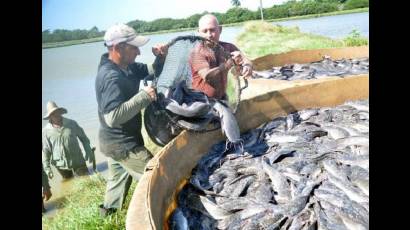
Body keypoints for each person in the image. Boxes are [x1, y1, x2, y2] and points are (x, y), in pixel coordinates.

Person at [95, 23, 167, 217]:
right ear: (117, 48)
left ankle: (106, 217)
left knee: (116, 183)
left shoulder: (126, 66)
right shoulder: (110, 76)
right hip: (123, 144)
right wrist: (144, 97)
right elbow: (112, 117)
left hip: (111, 143)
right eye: (133, 47)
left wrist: (159, 56)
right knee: (159, 178)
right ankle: (160, 215)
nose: (138, 51)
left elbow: (151, 70)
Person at [189, 14, 253, 101]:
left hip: (222, 97)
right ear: (199, 32)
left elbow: (245, 58)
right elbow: (208, 76)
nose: (209, 35)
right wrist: (228, 64)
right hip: (202, 101)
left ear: (220, 29)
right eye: (205, 31)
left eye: (212, 30)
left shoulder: (228, 47)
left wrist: (247, 65)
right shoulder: (196, 52)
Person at [42, 101, 95, 180]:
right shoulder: (46, 131)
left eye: (57, 112)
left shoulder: (72, 123)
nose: (56, 115)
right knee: (68, 181)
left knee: (86, 179)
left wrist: (88, 150)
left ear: (60, 112)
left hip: (78, 160)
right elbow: (46, 150)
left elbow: (84, 138)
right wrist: (47, 167)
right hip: (61, 165)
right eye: (53, 113)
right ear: (49, 116)